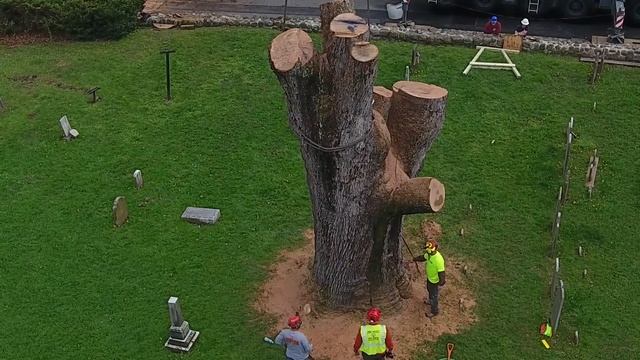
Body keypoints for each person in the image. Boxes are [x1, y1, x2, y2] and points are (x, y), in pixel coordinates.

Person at [413, 239, 446, 317]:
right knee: (429, 290)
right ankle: (430, 300)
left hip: (435, 281)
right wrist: (415, 259)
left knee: (434, 296)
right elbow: (423, 257)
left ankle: (434, 311)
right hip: (430, 278)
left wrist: (441, 282)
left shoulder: (438, 259)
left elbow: (442, 273)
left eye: (429, 249)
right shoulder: (429, 255)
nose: (427, 251)